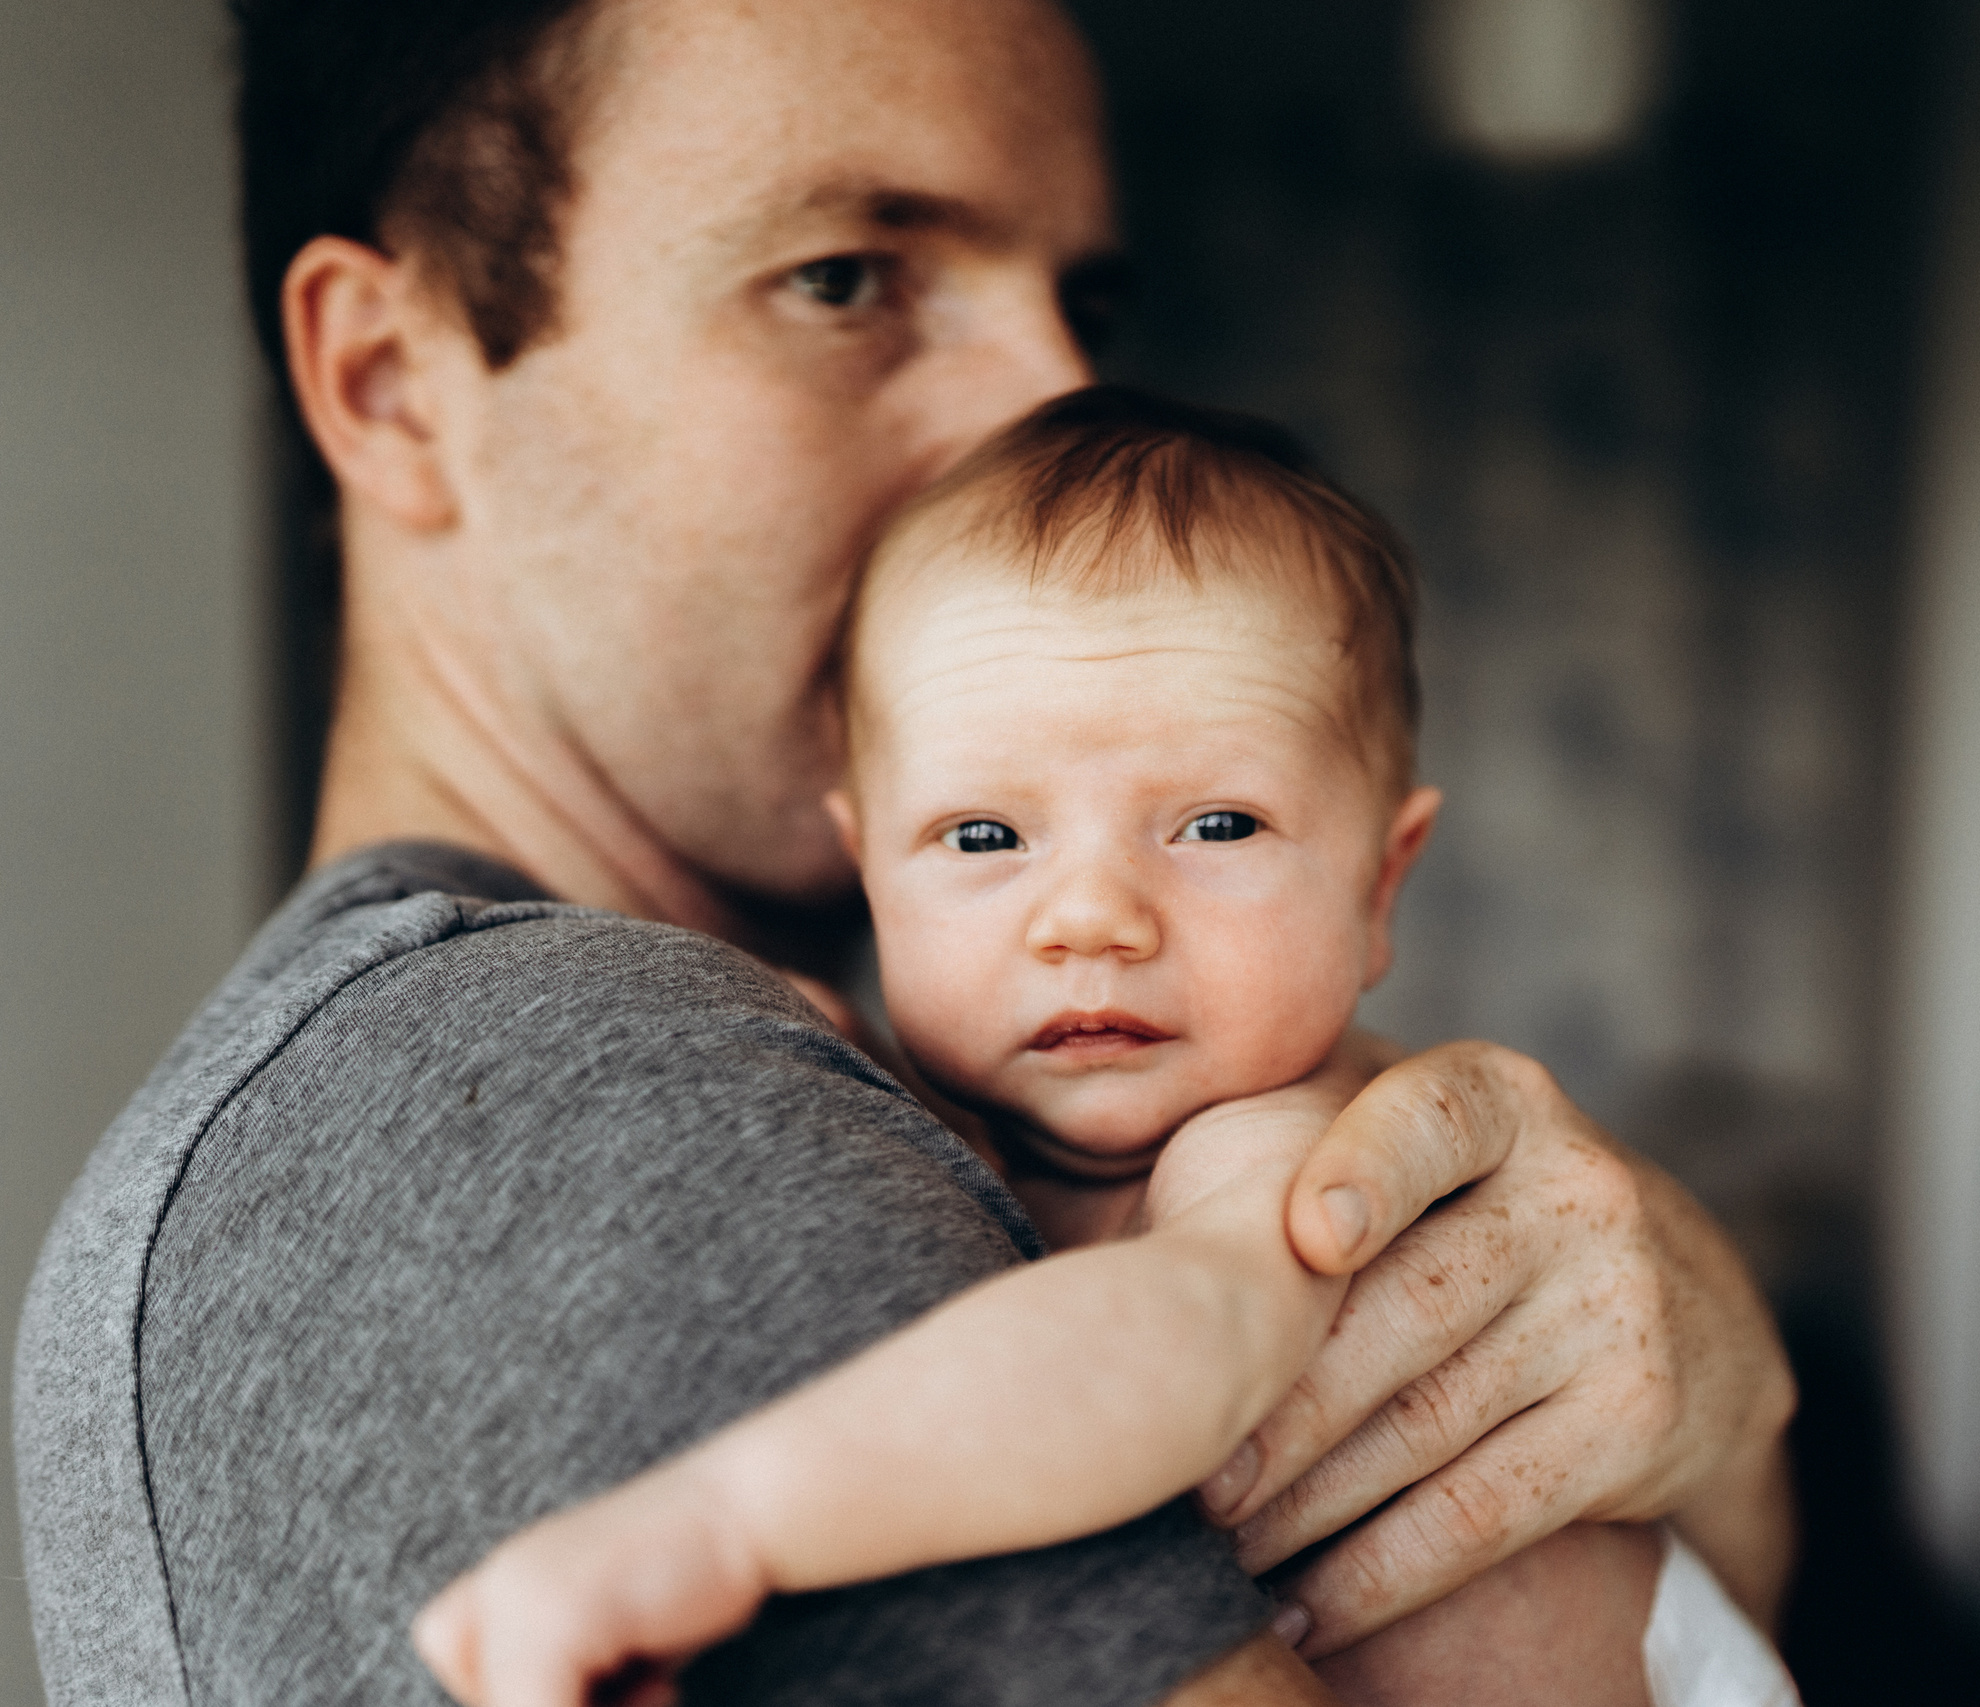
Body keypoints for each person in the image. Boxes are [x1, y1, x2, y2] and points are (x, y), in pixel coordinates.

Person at [12, 1, 1797, 1703]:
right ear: (393, 383)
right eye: (845, 278)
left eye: (1084, 295)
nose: (1052, 400)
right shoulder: (572, 1084)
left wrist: (1714, 1405)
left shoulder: (876, 1067)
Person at [409, 389, 1799, 1707]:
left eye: (1215, 825)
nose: (1091, 917)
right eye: (983, 837)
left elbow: (1163, 1347)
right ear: (869, 874)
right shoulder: (882, 1097)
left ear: (1381, 885)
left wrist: (726, 1517)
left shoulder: (1291, 1144)